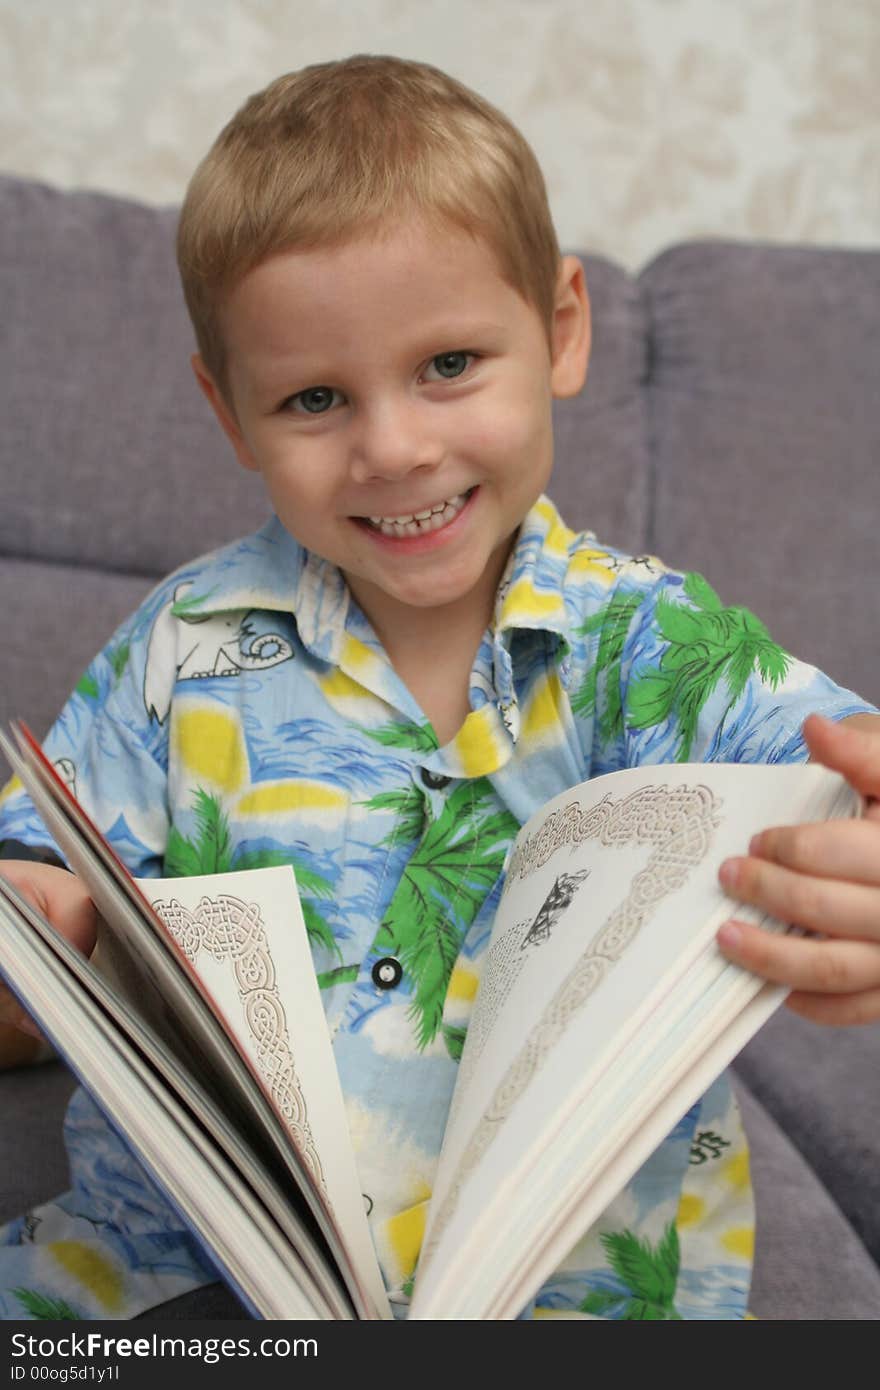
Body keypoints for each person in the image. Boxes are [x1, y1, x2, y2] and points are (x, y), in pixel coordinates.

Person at [0, 54, 878, 1322]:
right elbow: (43, 882)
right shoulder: (182, 642)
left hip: (573, 1298)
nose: (394, 445)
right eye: (313, 398)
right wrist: (39, 934)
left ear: (561, 329)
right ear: (229, 411)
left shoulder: (647, 641)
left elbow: (834, 768)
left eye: (451, 364)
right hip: (169, 1278)